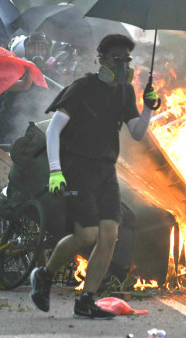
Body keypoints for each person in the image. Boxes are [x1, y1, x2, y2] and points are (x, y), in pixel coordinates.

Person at [29, 34, 160, 319]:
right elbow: (53, 130)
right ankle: (44, 274)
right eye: (117, 59)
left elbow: (137, 133)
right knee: (86, 234)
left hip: (105, 171)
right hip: (77, 169)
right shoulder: (82, 88)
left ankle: (87, 299)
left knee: (110, 234)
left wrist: (148, 107)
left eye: (127, 59)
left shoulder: (125, 92)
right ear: (101, 59)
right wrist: (55, 171)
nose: (123, 65)